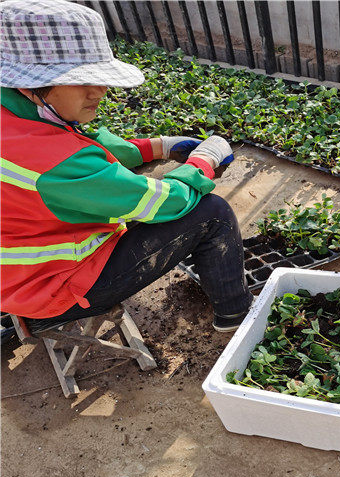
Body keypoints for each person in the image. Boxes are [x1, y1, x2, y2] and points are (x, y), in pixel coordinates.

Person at [0, 0, 253, 333]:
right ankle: (235, 314)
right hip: (55, 288)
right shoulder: (57, 162)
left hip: (15, 272)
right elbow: (167, 201)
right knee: (211, 213)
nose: (100, 90)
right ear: (31, 82)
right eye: (81, 80)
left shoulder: (19, 110)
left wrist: (156, 147)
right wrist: (202, 163)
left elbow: (79, 138)